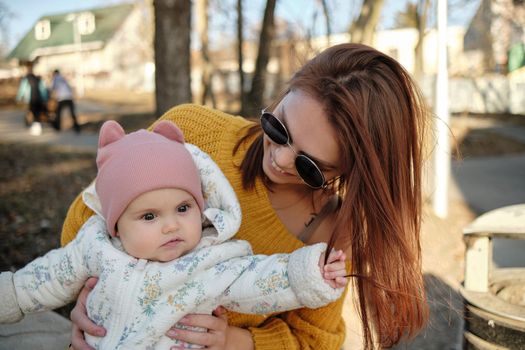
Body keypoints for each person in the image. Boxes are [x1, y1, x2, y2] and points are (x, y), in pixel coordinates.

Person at [62, 43, 430, 350]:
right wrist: (90, 299)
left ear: (351, 173)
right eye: (279, 128)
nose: (280, 159)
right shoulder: (192, 132)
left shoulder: (332, 233)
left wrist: (233, 341)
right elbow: (84, 220)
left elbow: (313, 341)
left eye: (311, 167)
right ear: (285, 93)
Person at [0, 120, 347, 349]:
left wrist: (311, 271)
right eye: (149, 216)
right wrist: (9, 296)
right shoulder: (96, 246)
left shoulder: (212, 262)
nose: (171, 225)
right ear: (116, 223)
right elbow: (41, 280)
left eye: (183, 209)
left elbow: (265, 280)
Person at [15, 64, 49, 136]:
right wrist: (45, 98)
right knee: (37, 113)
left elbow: (22, 90)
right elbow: (43, 89)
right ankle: (37, 128)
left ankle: (35, 128)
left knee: (32, 113)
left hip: (31, 99)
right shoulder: (38, 79)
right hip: (39, 99)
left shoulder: (26, 79)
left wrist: (18, 98)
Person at [50, 69, 81, 133]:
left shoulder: (55, 79)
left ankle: (57, 128)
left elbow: (52, 88)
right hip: (69, 97)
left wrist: (52, 96)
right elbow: (69, 87)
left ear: (54, 73)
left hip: (61, 98)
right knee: (72, 113)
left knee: (58, 113)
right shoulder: (63, 78)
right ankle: (77, 128)